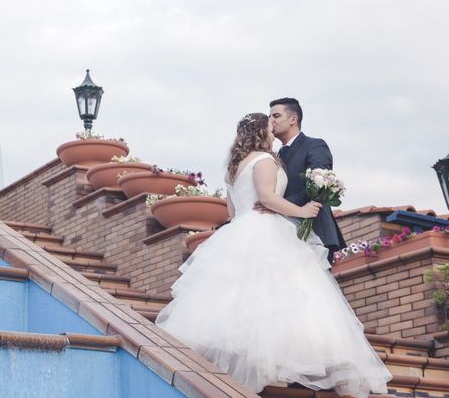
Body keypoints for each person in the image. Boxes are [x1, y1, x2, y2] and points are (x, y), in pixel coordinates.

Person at [155, 113, 391, 397]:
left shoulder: (234, 168)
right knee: (280, 296)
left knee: (246, 299)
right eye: (269, 126)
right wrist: (303, 211)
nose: (273, 130)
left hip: (238, 229)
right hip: (266, 229)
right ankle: (276, 369)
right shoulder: (264, 160)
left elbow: (232, 212)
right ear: (260, 132)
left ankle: (261, 370)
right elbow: (267, 198)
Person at [258, 98, 346, 263]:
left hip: (314, 231)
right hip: (283, 236)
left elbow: (316, 186)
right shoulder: (273, 157)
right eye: (269, 117)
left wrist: (275, 206)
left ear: (293, 119)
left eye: (276, 116)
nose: (270, 121)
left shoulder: (314, 145)